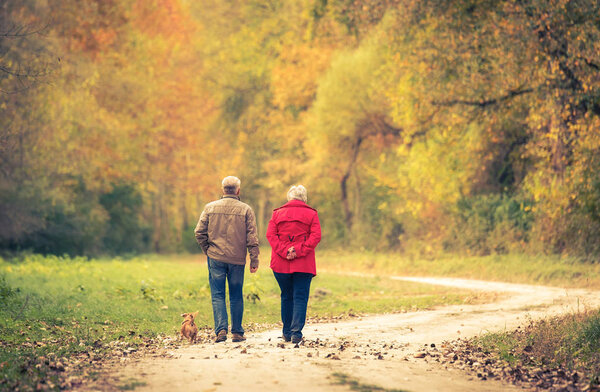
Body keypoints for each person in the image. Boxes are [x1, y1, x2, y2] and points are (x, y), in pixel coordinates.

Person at [195, 176, 259, 343]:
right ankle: (237, 332)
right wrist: (254, 259)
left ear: (223, 189)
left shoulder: (210, 207)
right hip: (237, 259)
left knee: (218, 295)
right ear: (238, 191)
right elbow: (252, 237)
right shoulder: (246, 209)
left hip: (215, 257)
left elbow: (199, 232)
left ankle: (221, 330)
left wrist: (207, 250)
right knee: (236, 295)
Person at [266, 185, 321, 344]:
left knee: (286, 295)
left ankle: (286, 332)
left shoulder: (277, 214)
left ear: (289, 198)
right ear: (304, 198)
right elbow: (316, 236)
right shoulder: (311, 214)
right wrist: (298, 250)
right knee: (300, 296)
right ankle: (296, 333)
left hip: (281, 263)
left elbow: (271, 235)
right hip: (303, 263)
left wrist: (285, 251)